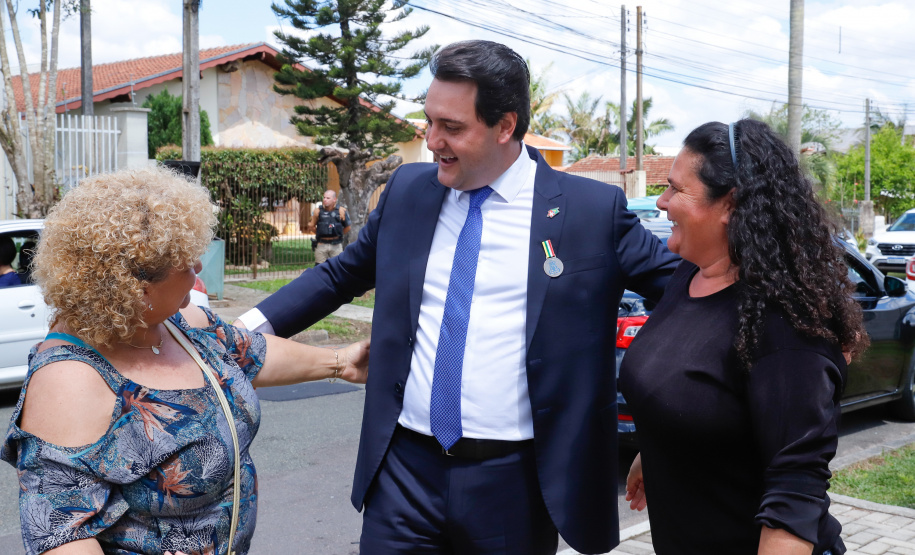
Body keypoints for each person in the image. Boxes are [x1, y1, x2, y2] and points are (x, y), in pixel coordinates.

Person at [237, 40, 679, 554]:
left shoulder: (590, 210)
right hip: (403, 474)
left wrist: (664, 427)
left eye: (452, 128)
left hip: (516, 484)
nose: (431, 141)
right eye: (429, 121)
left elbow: (684, 296)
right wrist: (234, 332)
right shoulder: (408, 190)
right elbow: (339, 276)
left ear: (505, 126)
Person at [1, 166, 370, 555]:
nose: (198, 271)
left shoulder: (179, 322)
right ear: (136, 288)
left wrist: (341, 361)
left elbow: (249, 353)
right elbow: (60, 535)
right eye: (187, 264)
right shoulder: (69, 380)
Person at [620, 119, 869, 555]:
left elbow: (794, 494)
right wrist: (661, 448)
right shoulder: (689, 277)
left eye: (676, 190)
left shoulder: (784, 327)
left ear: (731, 204)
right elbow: (699, 398)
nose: (661, 202)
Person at [306, 189, 351, 263]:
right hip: (321, 244)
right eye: (324, 197)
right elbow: (311, 226)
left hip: (336, 245)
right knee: (319, 268)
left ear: (334, 199)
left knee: (337, 267)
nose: (325, 200)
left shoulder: (341, 211)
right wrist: (319, 232)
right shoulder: (318, 211)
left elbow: (348, 227)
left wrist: (338, 233)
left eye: (328, 198)